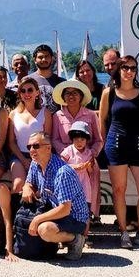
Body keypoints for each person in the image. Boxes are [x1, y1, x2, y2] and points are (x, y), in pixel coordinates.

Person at [99, 54, 139, 249]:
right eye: (125, 68)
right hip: (115, 146)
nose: (129, 72)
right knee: (119, 190)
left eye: (133, 68)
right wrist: (103, 144)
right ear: (119, 70)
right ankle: (124, 232)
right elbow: (103, 121)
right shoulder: (109, 93)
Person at [22, 132, 89, 261]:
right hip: (54, 210)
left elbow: (65, 209)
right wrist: (26, 187)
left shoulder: (62, 172)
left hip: (74, 218)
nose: (31, 150)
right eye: (29, 147)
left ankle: (76, 239)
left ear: (48, 148)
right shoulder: (35, 163)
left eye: (36, 146)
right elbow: (29, 181)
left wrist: (37, 220)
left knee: (45, 229)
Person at [51, 79, 103, 219]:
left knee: (93, 182)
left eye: (75, 93)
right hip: (65, 159)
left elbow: (98, 140)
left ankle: (93, 215)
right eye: (67, 93)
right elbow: (54, 139)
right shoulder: (57, 116)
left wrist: (91, 153)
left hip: (87, 158)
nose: (71, 96)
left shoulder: (91, 115)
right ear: (63, 97)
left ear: (81, 96)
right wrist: (67, 152)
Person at [6, 79, 52, 195]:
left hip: (41, 156)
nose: (27, 94)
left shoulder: (45, 113)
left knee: (40, 188)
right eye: (23, 91)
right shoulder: (13, 114)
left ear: (37, 93)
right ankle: (15, 212)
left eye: (30, 90)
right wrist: (24, 160)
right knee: (18, 184)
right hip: (19, 156)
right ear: (20, 94)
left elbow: (47, 140)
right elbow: (11, 142)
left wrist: (36, 159)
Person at [60, 121, 99, 220]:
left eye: (82, 139)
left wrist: (88, 166)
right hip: (70, 183)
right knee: (71, 206)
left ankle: (85, 232)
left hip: (84, 184)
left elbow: (91, 172)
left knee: (85, 207)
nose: (79, 142)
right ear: (72, 139)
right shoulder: (68, 150)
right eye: (76, 139)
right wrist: (76, 167)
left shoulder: (89, 153)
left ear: (86, 140)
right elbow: (61, 165)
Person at [27, 43, 65, 111]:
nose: (44, 59)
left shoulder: (62, 82)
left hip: (56, 120)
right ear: (35, 60)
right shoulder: (27, 81)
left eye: (47, 56)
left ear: (52, 58)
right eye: (40, 57)